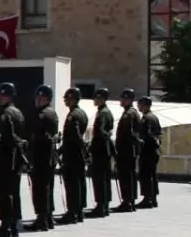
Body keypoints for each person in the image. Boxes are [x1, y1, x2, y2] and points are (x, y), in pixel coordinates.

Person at [0, 83, 27, 237]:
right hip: (16, 157)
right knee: (14, 192)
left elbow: (8, 137)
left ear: (8, 96)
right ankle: (14, 225)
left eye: (1, 95)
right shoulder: (18, 112)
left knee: (4, 192)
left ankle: (5, 226)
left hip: (7, 157)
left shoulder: (6, 114)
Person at [25, 85, 60, 232]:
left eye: (38, 98)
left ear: (44, 98)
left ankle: (42, 219)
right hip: (49, 156)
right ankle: (48, 217)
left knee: (40, 189)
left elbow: (39, 136)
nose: (36, 100)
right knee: (48, 187)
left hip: (41, 156)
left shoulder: (43, 114)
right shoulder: (52, 112)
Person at [59, 88, 90, 224]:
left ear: (73, 99)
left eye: (67, 98)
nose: (65, 100)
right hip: (78, 153)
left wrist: (61, 150)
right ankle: (79, 210)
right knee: (80, 182)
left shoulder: (73, 115)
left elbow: (74, 135)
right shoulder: (82, 113)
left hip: (72, 153)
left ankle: (72, 212)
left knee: (72, 183)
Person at [87, 88, 115, 218]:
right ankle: (105, 205)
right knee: (104, 178)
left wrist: (94, 146)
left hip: (100, 149)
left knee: (100, 178)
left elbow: (101, 131)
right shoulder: (105, 111)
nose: (95, 100)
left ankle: (101, 205)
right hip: (104, 149)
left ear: (102, 99)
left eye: (97, 98)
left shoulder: (103, 113)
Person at [114, 88, 142, 212]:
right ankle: (128, 200)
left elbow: (129, 133)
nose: (122, 100)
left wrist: (121, 148)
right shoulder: (129, 112)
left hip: (127, 150)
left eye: (124, 98)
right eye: (122, 98)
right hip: (128, 149)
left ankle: (128, 201)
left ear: (130, 100)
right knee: (128, 176)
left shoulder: (129, 114)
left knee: (127, 176)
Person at [137, 95, 162, 208]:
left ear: (145, 105)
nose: (138, 106)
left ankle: (148, 199)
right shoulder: (153, 117)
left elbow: (148, 135)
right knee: (152, 175)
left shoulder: (147, 118)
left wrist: (140, 143)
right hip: (153, 151)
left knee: (146, 175)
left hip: (148, 151)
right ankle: (153, 198)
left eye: (140, 104)